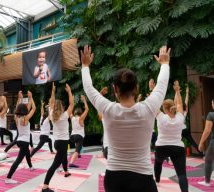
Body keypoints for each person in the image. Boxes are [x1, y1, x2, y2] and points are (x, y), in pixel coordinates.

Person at [81, 45, 171, 192]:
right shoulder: (148, 108)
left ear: (115, 89)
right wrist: (165, 64)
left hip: (114, 178)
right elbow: (161, 84)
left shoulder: (108, 109)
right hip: (143, 178)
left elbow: (88, 88)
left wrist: (85, 66)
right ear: (136, 88)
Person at [154, 82, 188, 192]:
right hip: (177, 148)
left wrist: (153, 90)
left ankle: (157, 180)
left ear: (164, 108)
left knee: (158, 162)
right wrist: (177, 91)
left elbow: (154, 103)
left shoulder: (161, 117)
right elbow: (180, 104)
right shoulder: (180, 117)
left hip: (161, 147)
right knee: (182, 174)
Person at [42, 83, 73, 192]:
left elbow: (51, 102)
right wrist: (69, 91)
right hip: (63, 143)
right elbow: (72, 103)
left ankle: (66, 172)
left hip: (57, 143)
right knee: (54, 165)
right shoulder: (64, 116)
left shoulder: (51, 114)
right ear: (62, 107)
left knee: (63, 156)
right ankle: (45, 186)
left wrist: (53, 91)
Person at [5, 90, 36, 184]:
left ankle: (30, 166)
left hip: (19, 141)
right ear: (25, 110)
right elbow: (33, 109)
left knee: (26, 153)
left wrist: (20, 98)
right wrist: (31, 97)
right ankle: (8, 178)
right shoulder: (25, 119)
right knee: (18, 161)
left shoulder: (17, 118)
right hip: (24, 142)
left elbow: (19, 107)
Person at [69, 95, 89, 168]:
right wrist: (84, 101)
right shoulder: (81, 118)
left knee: (77, 145)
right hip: (79, 136)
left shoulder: (72, 118)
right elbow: (87, 109)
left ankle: (78, 154)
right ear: (80, 113)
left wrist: (72, 100)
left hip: (72, 136)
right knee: (77, 150)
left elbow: (70, 110)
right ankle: (71, 163)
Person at [198, 99, 214, 187]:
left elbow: (207, 130)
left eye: (212, 103)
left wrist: (201, 142)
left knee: (208, 160)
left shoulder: (211, 115)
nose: (211, 105)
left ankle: (207, 182)